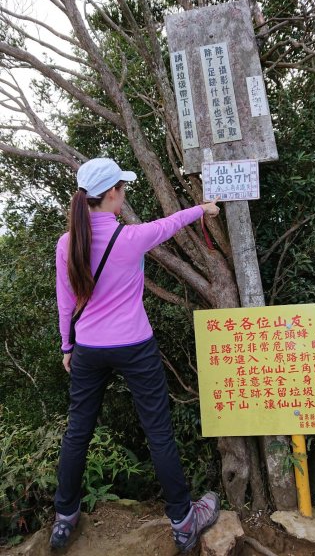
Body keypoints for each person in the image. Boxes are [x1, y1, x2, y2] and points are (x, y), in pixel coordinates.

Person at [50, 157, 220, 552]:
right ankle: (182, 522)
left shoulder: (66, 243)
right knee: (158, 433)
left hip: (89, 348)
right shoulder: (130, 237)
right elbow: (171, 224)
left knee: (77, 433)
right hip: (134, 346)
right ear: (111, 194)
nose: (124, 195)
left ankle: (65, 518)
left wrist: (67, 346)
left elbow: (65, 302)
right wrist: (204, 208)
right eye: (122, 189)